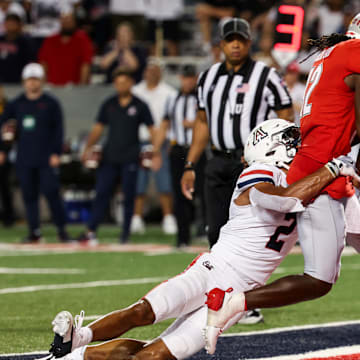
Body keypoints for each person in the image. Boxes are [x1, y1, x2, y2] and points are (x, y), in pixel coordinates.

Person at [44, 119, 357, 360]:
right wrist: (332, 169)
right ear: (273, 146)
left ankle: (77, 353)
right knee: (143, 312)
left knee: (153, 356)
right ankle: (81, 336)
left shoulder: (310, 183)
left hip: (238, 293)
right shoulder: (260, 172)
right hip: (212, 270)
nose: (299, 146)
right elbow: (285, 200)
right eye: (292, 141)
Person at [203, 14, 360, 354]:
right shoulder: (351, 52)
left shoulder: (332, 55)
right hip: (325, 173)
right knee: (318, 280)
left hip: (326, 167)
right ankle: (236, 302)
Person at [181, 17, 294, 248]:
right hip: (217, 161)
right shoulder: (207, 78)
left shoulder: (266, 75)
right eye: (230, 40)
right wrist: (190, 164)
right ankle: (220, 282)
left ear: (249, 42)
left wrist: (270, 156)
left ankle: (244, 281)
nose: (235, 45)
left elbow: (286, 116)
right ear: (220, 44)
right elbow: (202, 122)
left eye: (240, 40)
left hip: (250, 164)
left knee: (247, 229)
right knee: (214, 231)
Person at [78, 68, 158, 244]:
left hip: (130, 157)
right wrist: (87, 148)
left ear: (131, 83)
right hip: (109, 157)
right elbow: (98, 128)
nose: (120, 86)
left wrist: (156, 152)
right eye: (118, 82)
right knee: (102, 193)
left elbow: (153, 130)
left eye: (124, 82)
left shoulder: (139, 105)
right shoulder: (109, 104)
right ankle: (91, 230)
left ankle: (125, 233)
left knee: (129, 196)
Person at [0, 63, 69, 242]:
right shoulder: (16, 104)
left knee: (52, 193)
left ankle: (62, 230)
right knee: (29, 195)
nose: (32, 84)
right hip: (24, 156)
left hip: (46, 156)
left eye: (35, 79)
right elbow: (4, 127)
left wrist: (56, 152)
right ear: (24, 82)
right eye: (29, 80)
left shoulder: (51, 103)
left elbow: (58, 130)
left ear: (42, 81)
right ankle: (34, 232)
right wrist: (3, 149)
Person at [153, 64, 207, 247]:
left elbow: (210, 122)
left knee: (203, 192)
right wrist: (155, 150)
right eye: (185, 78)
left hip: (197, 148)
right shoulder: (172, 98)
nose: (187, 81)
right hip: (177, 150)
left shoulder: (202, 98)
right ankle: (182, 237)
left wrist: (194, 125)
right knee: (179, 194)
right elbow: (164, 125)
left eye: (191, 78)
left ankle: (205, 230)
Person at [131, 59, 177, 235]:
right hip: (139, 140)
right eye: (148, 69)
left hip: (162, 141)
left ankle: (168, 217)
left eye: (154, 70)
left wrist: (164, 143)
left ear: (160, 72)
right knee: (138, 181)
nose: (151, 73)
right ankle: (136, 218)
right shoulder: (136, 91)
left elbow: (171, 121)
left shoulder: (169, 93)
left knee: (163, 180)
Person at [38, 11, 94, 86]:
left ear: (74, 22)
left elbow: (86, 64)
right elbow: (43, 64)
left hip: (75, 88)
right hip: (53, 87)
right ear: (60, 22)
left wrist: (82, 87)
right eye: (64, 20)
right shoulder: (50, 40)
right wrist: (43, 85)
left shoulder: (82, 39)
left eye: (69, 21)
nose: (67, 23)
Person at [0, 13, 35, 83]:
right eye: (8, 23)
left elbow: (30, 62)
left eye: (13, 23)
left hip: (18, 80)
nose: (10, 26)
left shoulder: (25, 42)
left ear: (19, 25)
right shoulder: (1, 39)